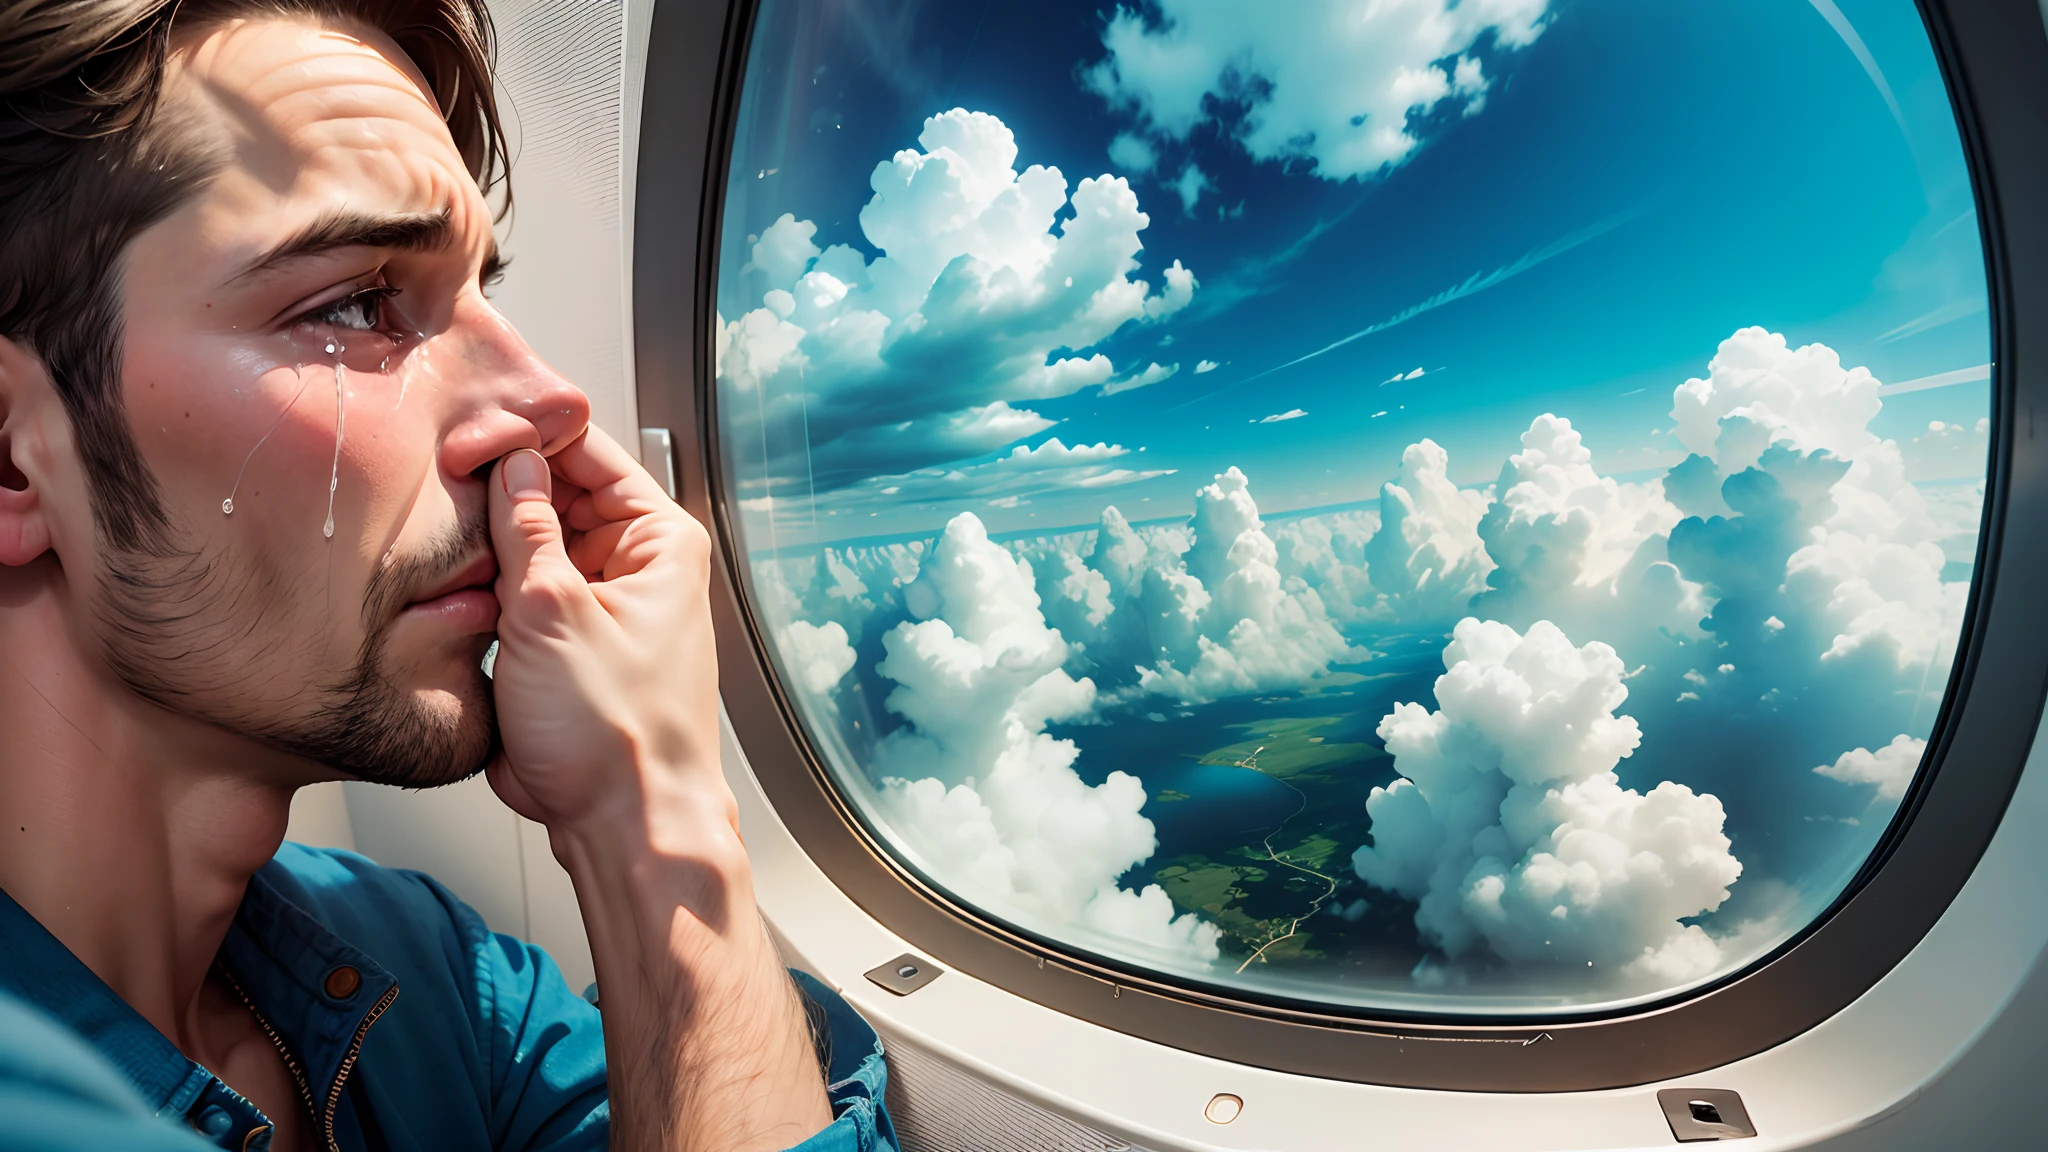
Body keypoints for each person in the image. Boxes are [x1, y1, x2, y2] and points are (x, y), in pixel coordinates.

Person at [0, 2, 895, 1149]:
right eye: (359, 305)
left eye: (484, 291)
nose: (547, 403)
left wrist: (649, 813)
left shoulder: (433, 973)